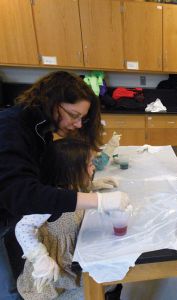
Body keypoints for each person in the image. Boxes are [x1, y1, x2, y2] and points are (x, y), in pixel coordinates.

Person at [0, 71, 129, 299]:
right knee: (18, 286)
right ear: (52, 101)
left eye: (82, 118)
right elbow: (22, 195)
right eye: (73, 114)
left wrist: (88, 185)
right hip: (10, 217)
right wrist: (97, 201)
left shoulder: (41, 127)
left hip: (24, 221)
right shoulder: (11, 127)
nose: (77, 124)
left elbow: (47, 180)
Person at [16, 138, 119, 299]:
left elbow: (75, 193)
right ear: (72, 171)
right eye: (90, 164)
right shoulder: (51, 200)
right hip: (54, 278)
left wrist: (93, 185)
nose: (94, 168)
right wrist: (39, 258)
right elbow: (22, 228)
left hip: (72, 263)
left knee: (111, 280)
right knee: (104, 284)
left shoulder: (70, 186)